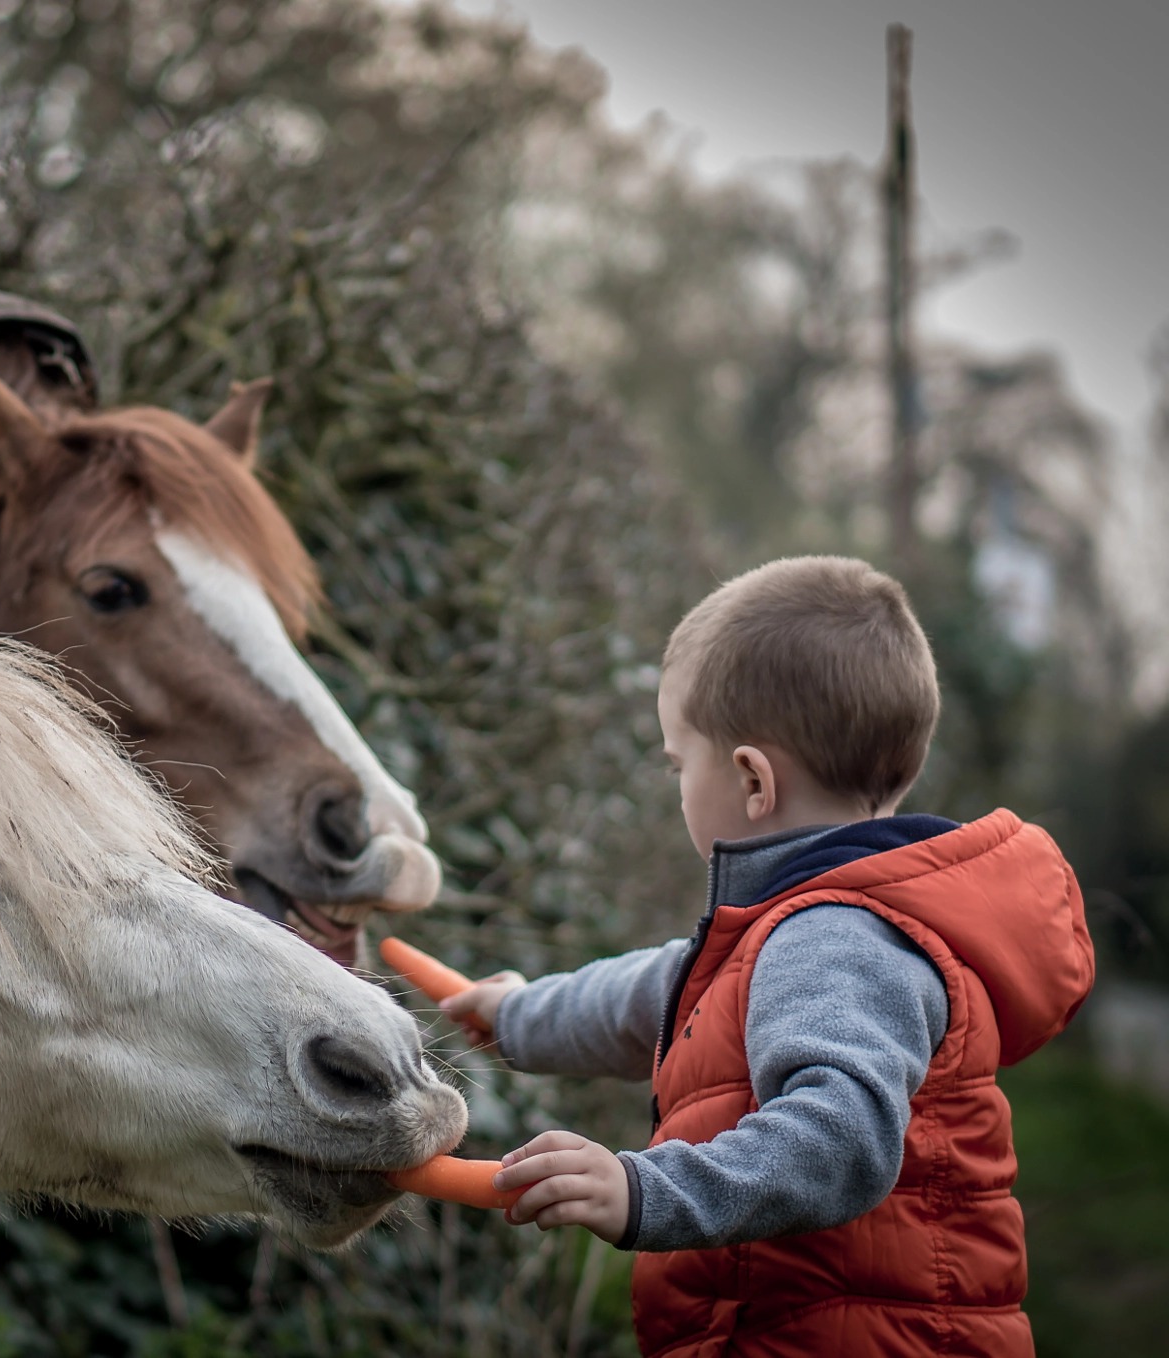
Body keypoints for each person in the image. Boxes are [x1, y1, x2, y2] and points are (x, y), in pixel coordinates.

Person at [441, 556, 1094, 1356]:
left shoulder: (836, 937)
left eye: (681, 765)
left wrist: (645, 1190)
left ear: (752, 779)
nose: (677, 788)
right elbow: (656, 992)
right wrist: (516, 1016)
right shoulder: (791, 929)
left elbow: (842, 1139)